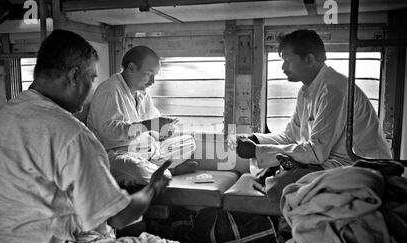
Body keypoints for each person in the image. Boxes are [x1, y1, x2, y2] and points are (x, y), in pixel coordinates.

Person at [0, 30, 197, 243]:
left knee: (105, 231)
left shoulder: (2, 118)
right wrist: (153, 187)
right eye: (91, 78)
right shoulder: (69, 131)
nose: (90, 90)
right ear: (75, 76)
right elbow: (120, 217)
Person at [236, 29, 392, 202]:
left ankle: (269, 184)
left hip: (359, 169)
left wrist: (257, 151)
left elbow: (317, 152)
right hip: (332, 164)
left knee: (278, 185)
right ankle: (268, 180)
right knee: (266, 169)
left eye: (288, 60)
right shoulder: (306, 91)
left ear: (309, 59)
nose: (283, 67)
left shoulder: (334, 90)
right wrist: (257, 140)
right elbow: (291, 136)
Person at [87, 46, 198, 187]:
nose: (153, 81)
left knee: (189, 142)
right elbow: (108, 134)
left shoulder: (141, 93)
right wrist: (149, 125)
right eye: (149, 74)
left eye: (155, 75)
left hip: (145, 150)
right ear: (131, 68)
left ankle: (157, 167)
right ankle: (170, 171)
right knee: (139, 170)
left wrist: (164, 130)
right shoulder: (110, 90)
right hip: (116, 155)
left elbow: (152, 121)